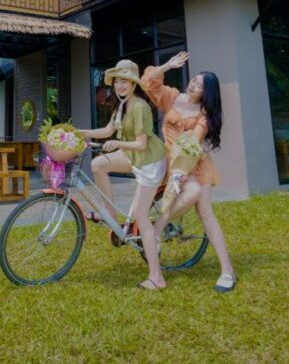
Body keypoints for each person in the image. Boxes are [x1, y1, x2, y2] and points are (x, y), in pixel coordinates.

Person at [142, 51, 237, 293]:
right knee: (196, 199)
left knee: (205, 211)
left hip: (192, 161)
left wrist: (181, 171)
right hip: (168, 158)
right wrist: (167, 65)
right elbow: (148, 82)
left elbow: (193, 144)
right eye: (193, 80)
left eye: (199, 85)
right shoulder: (173, 97)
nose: (193, 84)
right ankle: (156, 230)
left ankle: (227, 271)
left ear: (207, 93)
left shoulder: (204, 115)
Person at [79, 59, 169, 290]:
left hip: (149, 160)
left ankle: (157, 278)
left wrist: (117, 143)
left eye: (124, 81)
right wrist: (80, 132)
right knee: (98, 164)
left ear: (133, 83)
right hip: (132, 155)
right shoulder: (121, 105)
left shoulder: (139, 106)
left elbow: (141, 144)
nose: (119, 85)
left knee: (140, 215)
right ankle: (110, 215)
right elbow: (107, 130)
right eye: (117, 81)